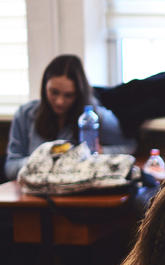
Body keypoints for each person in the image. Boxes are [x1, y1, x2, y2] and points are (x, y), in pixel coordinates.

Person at [5, 54, 136, 180]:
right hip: (34, 195)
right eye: (54, 92)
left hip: (79, 195)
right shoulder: (25, 114)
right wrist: (43, 160)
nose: (59, 101)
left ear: (79, 94)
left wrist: (101, 152)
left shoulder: (96, 116)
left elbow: (130, 147)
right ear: (45, 87)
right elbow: (10, 168)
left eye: (68, 95)